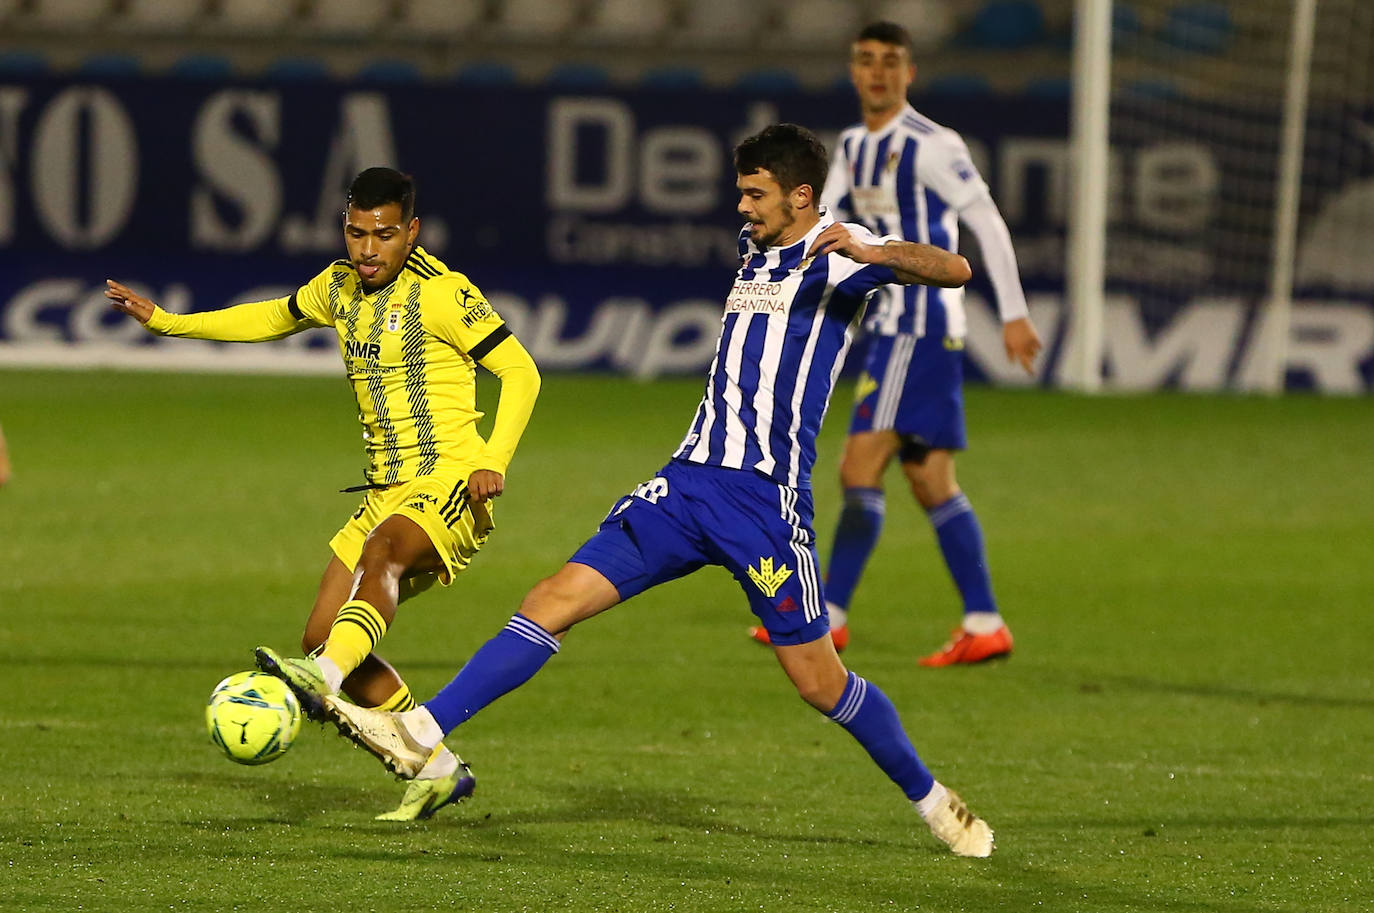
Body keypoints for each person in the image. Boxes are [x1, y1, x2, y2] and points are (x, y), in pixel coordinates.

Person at [315, 125, 995, 857]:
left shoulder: (839, 253)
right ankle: (425, 727)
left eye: (756, 193)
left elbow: (954, 267)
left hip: (762, 503)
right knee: (553, 598)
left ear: (802, 196)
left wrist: (875, 251)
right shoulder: (752, 248)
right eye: (742, 191)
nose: (742, 205)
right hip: (685, 482)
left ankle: (935, 802)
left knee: (818, 680)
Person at [105, 166, 541, 820]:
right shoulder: (337, 286)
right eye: (357, 232)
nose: (368, 250)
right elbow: (269, 317)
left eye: (385, 235)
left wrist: (494, 459)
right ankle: (436, 766)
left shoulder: (443, 293)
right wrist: (169, 322)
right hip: (383, 488)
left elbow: (521, 370)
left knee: (382, 557)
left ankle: (323, 682)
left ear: (412, 232)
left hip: (451, 479)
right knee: (321, 633)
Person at [749, 21, 1042, 666]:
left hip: (923, 322)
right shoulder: (852, 144)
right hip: (890, 327)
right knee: (931, 480)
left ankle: (827, 616)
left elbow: (985, 220)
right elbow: (827, 221)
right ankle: (984, 621)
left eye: (890, 61)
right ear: (853, 71)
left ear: (909, 73)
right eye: (865, 60)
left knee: (858, 468)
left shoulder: (932, 145)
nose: (877, 71)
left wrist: (1014, 312)